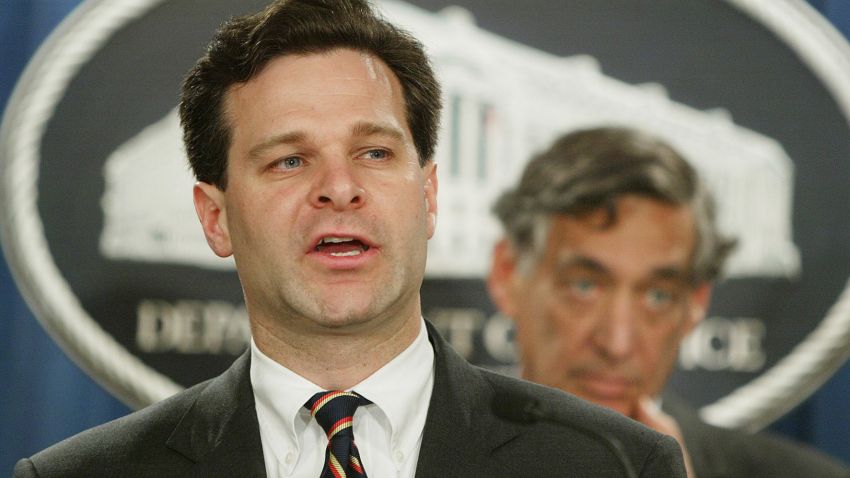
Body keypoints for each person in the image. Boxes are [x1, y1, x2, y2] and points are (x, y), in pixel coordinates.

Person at [13, 2, 686, 477]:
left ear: (427, 196)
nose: (339, 188)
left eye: (372, 153)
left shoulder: (616, 466)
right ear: (216, 218)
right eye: (289, 160)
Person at [487, 126, 850, 477]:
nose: (617, 343)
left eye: (658, 296)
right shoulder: (434, 459)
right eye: (584, 286)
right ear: (508, 275)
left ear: (696, 304)